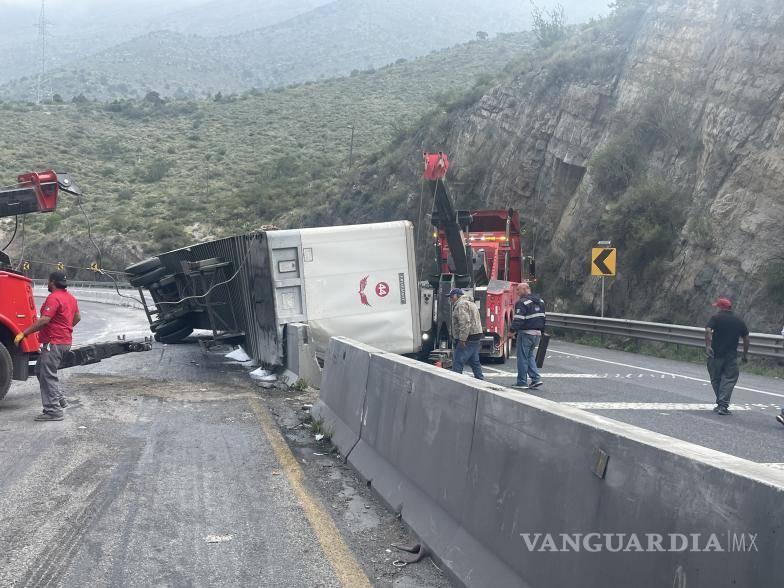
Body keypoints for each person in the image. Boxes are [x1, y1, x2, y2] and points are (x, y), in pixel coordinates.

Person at [14, 270, 81, 422]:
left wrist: (24, 333)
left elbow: (44, 320)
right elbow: (77, 317)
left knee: (47, 375)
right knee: (40, 370)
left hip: (54, 343)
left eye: (48, 281)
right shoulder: (70, 298)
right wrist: (65, 328)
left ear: (52, 282)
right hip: (64, 342)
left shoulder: (54, 297)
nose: (48, 283)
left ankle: (53, 411)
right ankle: (59, 398)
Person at [704, 297, 749, 416]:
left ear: (721, 307)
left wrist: (708, 346)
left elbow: (708, 330)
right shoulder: (739, 320)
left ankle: (721, 404)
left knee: (716, 379)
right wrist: (744, 354)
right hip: (731, 356)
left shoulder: (716, 318)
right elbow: (746, 337)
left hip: (715, 355)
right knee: (729, 380)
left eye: (717, 307)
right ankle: (722, 405)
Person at [510, 282, 545, 389]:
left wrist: (512, 331)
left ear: (526, 289)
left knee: (522, 358)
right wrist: (542, 332)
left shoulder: (522, 303)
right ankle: (535, 379)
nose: (517, 292)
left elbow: (519, 319)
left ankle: (522, 382)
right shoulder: (541, 301)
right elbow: (543, 318)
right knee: (529, 356)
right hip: (537, 334)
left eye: (518, 290)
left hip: (525, 334)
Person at [449, 288, 484, 380]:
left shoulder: (461, 304)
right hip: (476, 334)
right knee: (474, 360)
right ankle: (480, 380)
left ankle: (456, 382)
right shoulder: (470, 303)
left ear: (457, 296)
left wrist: (462, 339)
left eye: (451, 297)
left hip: (468, 336)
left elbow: (465, 323)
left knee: (458, 360)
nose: (450, 299)